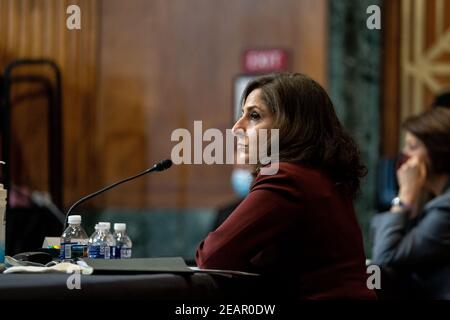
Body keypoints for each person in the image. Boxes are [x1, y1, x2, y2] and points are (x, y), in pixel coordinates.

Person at [195, 73, 376, 300]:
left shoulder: (286, 177)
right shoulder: (322, 175)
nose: (236, 128)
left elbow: (212, 256)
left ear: (291, 125)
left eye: (253, 116)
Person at [371, 107, 450, 299]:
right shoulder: (433, 197)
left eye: (412, 147)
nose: (404, 154)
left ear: (437, 151)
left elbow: (384, 257)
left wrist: (405, 195)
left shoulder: (446, 207)